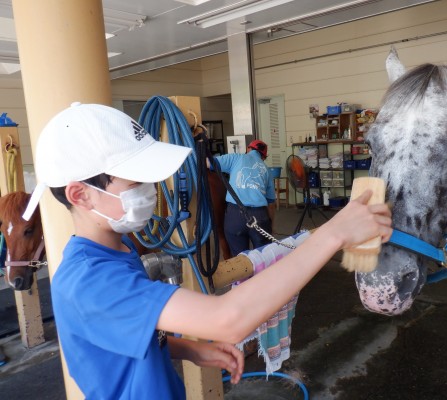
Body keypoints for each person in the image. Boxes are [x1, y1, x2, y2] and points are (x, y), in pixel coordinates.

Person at [23, 102, 393, 400]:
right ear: (80, 194)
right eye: (135, 181)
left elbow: (121, 341)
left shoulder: (114, 251)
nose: (150, 191)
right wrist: (331, 234)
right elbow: (227, 319)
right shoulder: (91, 279)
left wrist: (188, 350)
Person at [213, 140, 276, 257]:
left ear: (248, 149)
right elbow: (271, 204)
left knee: (240, 258)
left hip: (234, 215)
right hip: (260, 216)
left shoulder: (236, 158)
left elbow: (208, 163)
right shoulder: (266, 170)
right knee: (264, 256)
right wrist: (270, 226)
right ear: (263, 157)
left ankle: (245, 275)